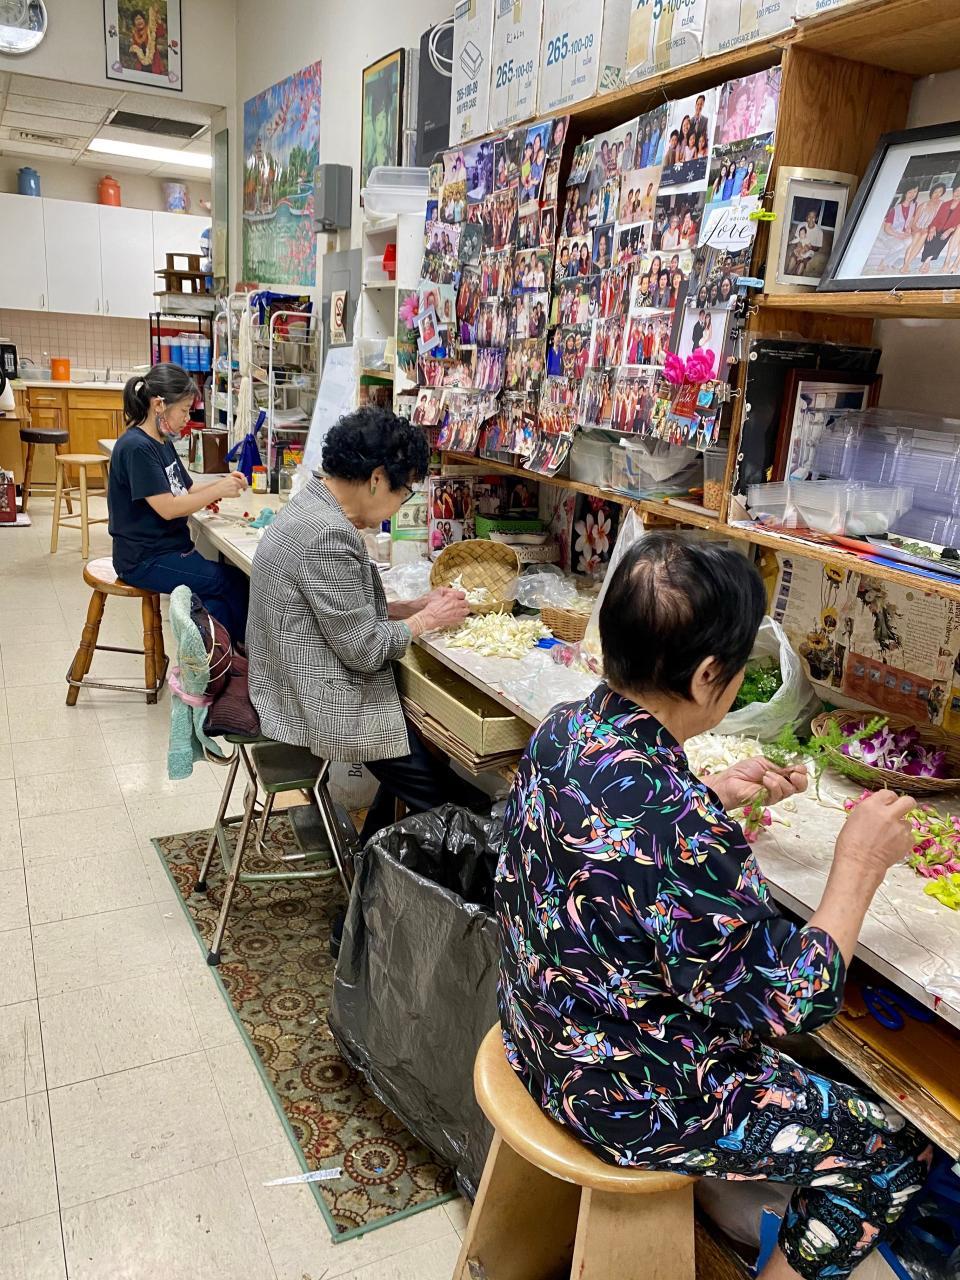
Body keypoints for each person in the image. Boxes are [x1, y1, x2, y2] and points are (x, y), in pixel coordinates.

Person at [496, 535, 933, 1280]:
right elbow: (795, 1002)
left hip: (537, 1033)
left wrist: (711, 798)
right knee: (889, 1151)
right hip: (619, 1095)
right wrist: (856, 864)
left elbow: (620, 850)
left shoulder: (566, 728)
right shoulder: (678, 827)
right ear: (707, 677)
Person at [247, 407, 486, 846]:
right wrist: (427, 619)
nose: (401, 504)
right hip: (318, 702)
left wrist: (414, 605)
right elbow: (365, 649)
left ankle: (376, 853)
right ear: (378, 478)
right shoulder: (327, 535)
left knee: (422, 756)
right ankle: (396, 879)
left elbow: (340, 609)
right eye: (405, 492)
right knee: (459, 801)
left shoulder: (310, 504)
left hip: (287, 679)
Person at [108, 366, 250, 643]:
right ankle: (250, 658)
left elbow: (186, 489)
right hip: (143, 560)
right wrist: (216, 490)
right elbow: (169, 507)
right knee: (231, 582)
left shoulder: (161, 440)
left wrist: (220, 486)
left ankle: (222, 658)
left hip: (167, 550)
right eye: (184, 410)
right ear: (159, 404)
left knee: (217, 599)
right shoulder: (136, 447)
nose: (187, 418)